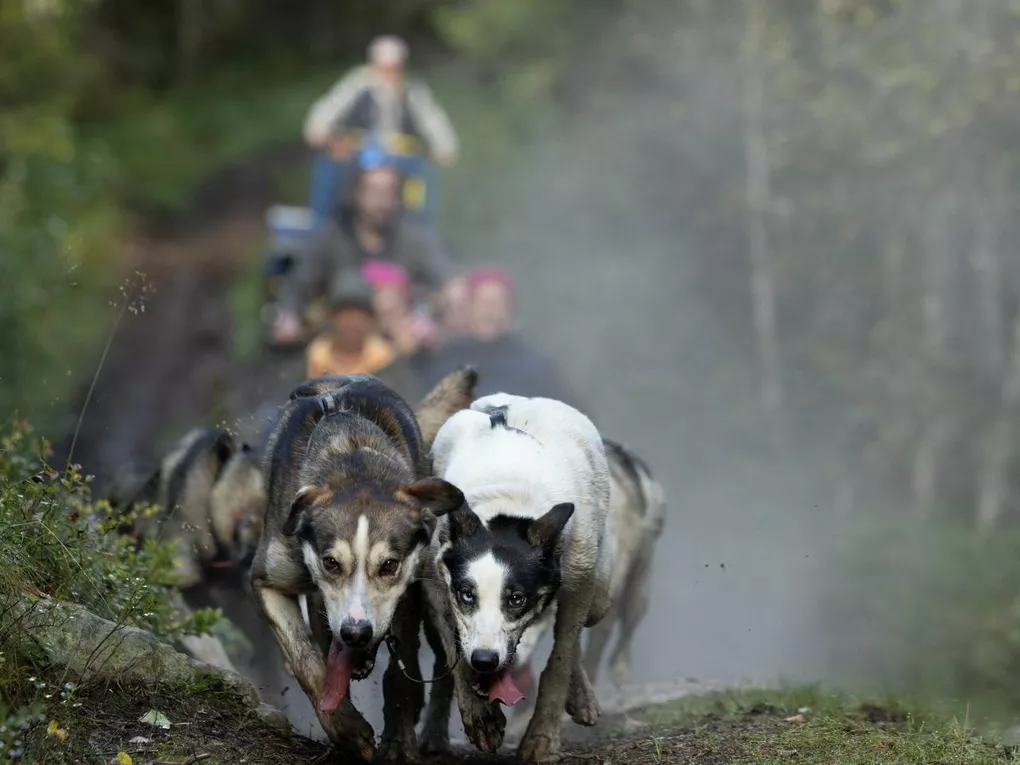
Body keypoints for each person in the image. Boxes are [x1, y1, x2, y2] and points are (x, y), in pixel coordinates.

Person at [271, 162, 465, 345]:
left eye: (389, 192)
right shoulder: (333, 239)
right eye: (374, 191)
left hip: (400, 346)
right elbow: (299, 282)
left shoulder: (412, 240)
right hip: (341, 343)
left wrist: (436, 309)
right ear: (357, 194)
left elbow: (450, 281)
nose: (382, 200)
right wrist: (289, 315)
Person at [304, 35, 459, 224]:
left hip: (401, 158)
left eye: (395, 68)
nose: (390, 75)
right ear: (374, 65)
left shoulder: (412, 90)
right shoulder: (358, 83)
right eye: (385, 68)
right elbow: (330, 107)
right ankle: (322, 227)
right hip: (360, 154)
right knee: (330, 170)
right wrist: (319, 130)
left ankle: (419, 233)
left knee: (424, 182)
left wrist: (445, 147)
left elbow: (432, 118)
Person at [412, 266, 588, 412]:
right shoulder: (443, 363)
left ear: (510, 311)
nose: (491, 311)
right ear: (468, 308)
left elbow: (570, 414)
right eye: (483, 303)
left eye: (498, 303)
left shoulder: (534, 364)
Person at [304, 271, 423, 402]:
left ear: (371, 321)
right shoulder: (313, 360)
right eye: (345, 316)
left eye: (359, 316)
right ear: (332, 318)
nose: (352, 323)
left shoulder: (388, 364)